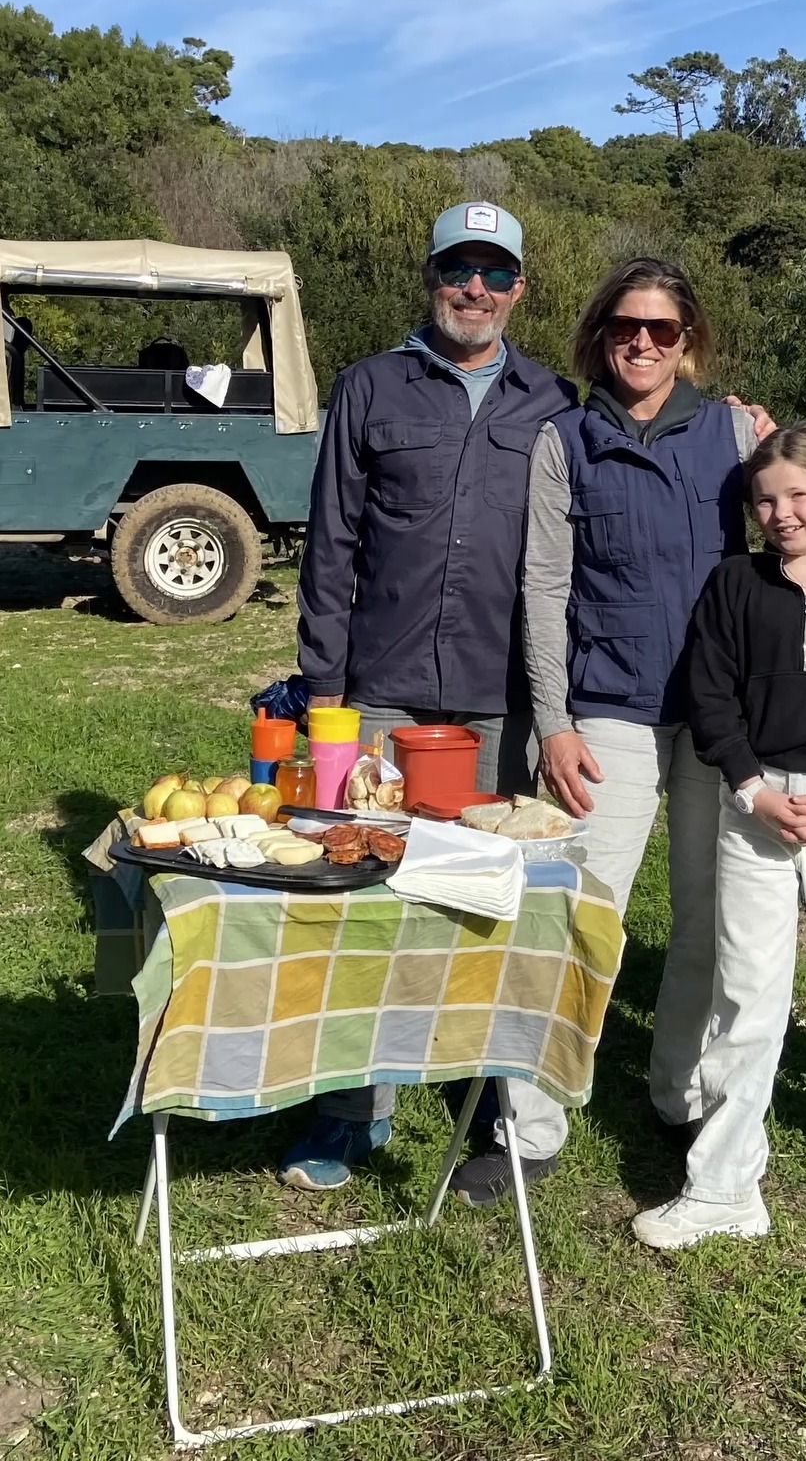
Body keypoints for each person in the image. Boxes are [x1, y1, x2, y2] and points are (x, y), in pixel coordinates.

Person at [278, 200, 576, 1195]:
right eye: (460, 269)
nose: (476, 290)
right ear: (433, 276)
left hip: (500, 702)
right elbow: (331, 552)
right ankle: (349, 1108)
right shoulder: (370, 388)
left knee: (483, 896)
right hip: (382, 694)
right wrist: (329, 695)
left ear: (520, 287)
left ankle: (484, 1085)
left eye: (496, 273)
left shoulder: (555, 400)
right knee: (365, 899)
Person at [633, 423, 806, 1248]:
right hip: (753, 806)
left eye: (799, 493)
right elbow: (711, 695)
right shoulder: (734, 586)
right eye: (765, 498)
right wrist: (753, 787)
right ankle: (726, 1185)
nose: (781, 512)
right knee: (747, 995)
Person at [520, 256, 758, 1169]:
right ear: (600, 335)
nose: (643, 342)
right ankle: (534, 1118)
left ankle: (677, 1094)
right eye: (627, 327)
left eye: (663, 328)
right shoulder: (564, 441)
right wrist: (554, 721)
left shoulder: (734, 433)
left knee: (705, 915)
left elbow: (794, 532)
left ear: (688, 338)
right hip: (608, 709)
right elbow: (545, 586)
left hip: (717, 714)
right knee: (585, 910)